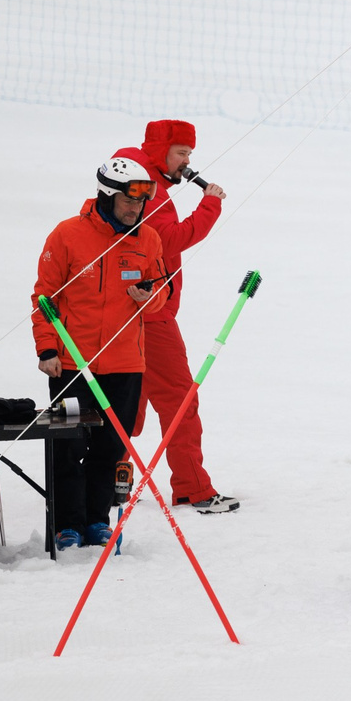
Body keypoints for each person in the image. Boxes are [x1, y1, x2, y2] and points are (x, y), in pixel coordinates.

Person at [33, 155, 164, 548]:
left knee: (111, 448)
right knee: (69, 446)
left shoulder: (148, 239)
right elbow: (44, 297)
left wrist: (148, 298)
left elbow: (161, 296)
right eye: (128, 201)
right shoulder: (68, 234)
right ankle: (66, 524)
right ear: (106, 197)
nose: (135, 209)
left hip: (125, 364)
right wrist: (46, 349)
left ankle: (96, 520)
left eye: (140, 202)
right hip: (72, 364)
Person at [121, 119, 234, 512]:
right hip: (150, 315)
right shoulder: (147, 189)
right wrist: (210, 205)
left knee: (127, 405)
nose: (188, 161)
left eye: (190, 154)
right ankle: (193, 488)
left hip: (130, 314)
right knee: (179, 402)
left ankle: (108, 482)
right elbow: (171, 240)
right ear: (160, 149)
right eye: (182, 152)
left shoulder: (139, 178)